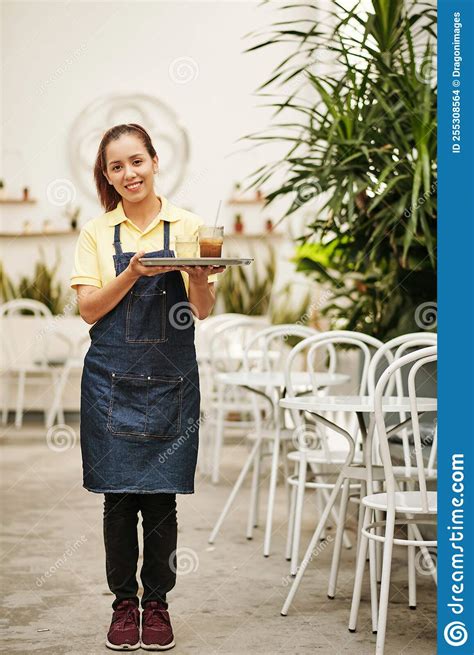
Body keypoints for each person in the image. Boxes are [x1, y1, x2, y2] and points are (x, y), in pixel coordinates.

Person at [70, 123, 225, 651]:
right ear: (108, 177)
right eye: (116, 167)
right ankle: (123, 605)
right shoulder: (97, 232)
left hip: (171, 383)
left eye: (136, 161)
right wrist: (133, 273)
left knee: (160, 502)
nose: (128, 173)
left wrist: (199, 276)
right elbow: (89, 308)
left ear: (154, 161)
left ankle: (156, 604)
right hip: (111, 384)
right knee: (118, 500)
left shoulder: (188, 226)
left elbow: (200, 311)